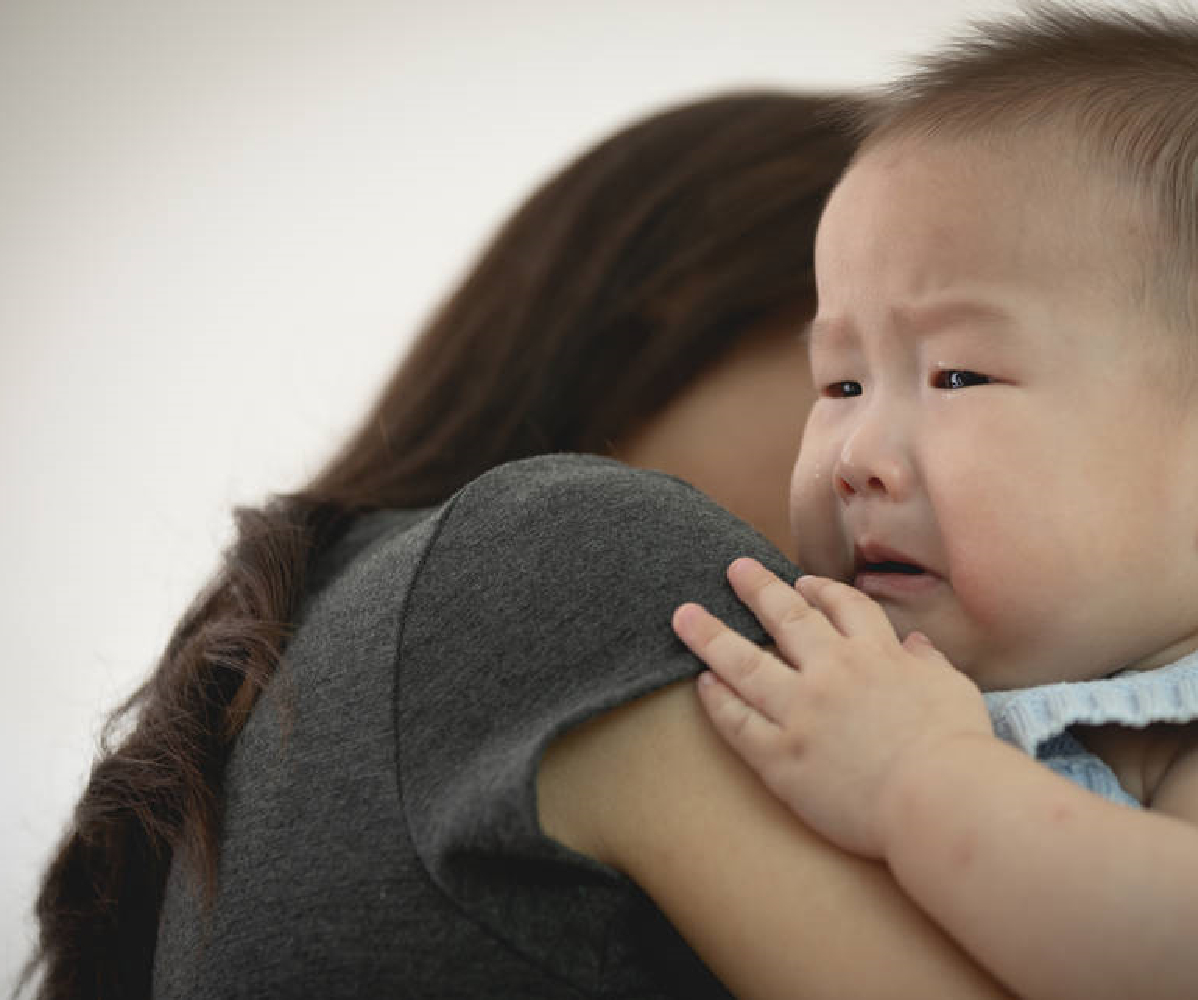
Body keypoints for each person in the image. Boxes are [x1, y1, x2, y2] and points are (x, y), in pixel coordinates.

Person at [24, 89, 971, 999]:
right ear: (678, 305)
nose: (922, 456)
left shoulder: (328, 648)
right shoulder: (578, 553)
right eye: (860, 374)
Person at [673, 8, 1198, 1000]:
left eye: (959, 376)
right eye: (841, 385)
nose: (855, 456)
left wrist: (914, 781)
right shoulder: (902, 687)